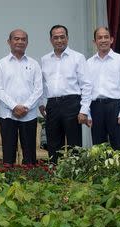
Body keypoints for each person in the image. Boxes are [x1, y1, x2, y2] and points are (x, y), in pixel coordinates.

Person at [39, 24, 92, 163]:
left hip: (72, 104)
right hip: (52, 105)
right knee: (53, 143)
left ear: (67, 38)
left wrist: (84, 110)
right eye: (55, 37)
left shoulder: (77, 57)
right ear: (51, 40)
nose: (59, 40)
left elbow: (86, 85)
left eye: (62, 37)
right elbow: (42, 84)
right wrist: (41, 103)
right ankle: (56, 174)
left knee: (75, 144)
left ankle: (76, 176)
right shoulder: (45, 59)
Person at [0, 29, 43, 165]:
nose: (20, 42)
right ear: (9, 42)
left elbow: (39, 89)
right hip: (8, 114)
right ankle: (8, 182)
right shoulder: (1, 64)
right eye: (16, 39)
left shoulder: (34, 64)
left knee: (30, 154)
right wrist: (14, 106)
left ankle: (30, 181)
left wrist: (25, 106)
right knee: (8, 153)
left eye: (23, 39)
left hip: (29, 114)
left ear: (27, 42)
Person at [87, 26, 120, 150]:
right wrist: (88, 113)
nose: (103, 40)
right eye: (99, 37)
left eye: (106, 37)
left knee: (119, 148)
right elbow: (87, 90)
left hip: (115, 107)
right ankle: (100, 171)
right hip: (96, 108)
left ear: (111, 40)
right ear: (94, 42)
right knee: (98, 148)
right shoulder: (89, 63)